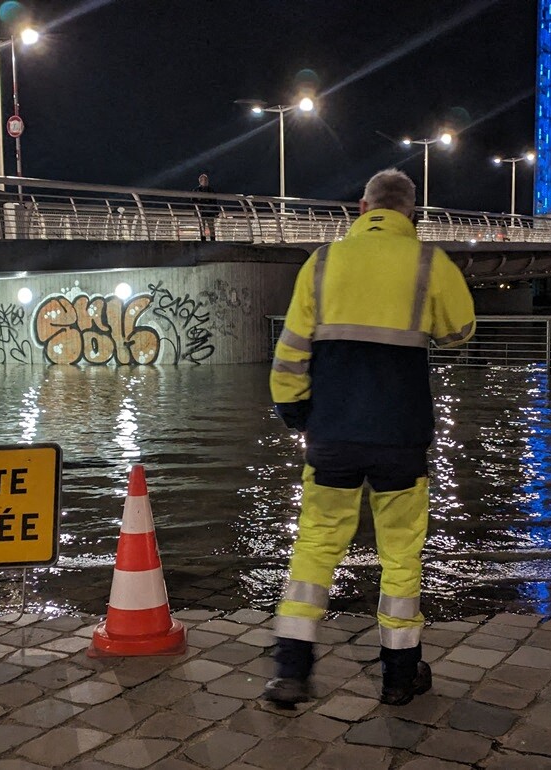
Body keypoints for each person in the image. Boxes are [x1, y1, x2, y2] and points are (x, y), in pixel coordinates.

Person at [265, 168, 477, 707]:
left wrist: (295, 412)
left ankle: (292, 670)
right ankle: (400, 677)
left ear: (362, 210)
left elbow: (291, 349)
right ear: (412, 214)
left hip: (332, 433)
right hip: (401, 437)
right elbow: (460, 332)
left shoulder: (322, 262)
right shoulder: (430, 263)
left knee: (315, 546)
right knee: (401, 555)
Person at [192, 172, 217, 241]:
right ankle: (203, 240)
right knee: (202, 227)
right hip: (201, 212)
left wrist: (216, 212)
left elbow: (214, 201)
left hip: (209, 212)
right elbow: (193, 201)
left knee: (211, 227)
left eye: (207, 180)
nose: (206, 182)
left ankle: (213, 240)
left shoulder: (211, 190)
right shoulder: (196, 190)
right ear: (200, 181)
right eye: (205, 180)